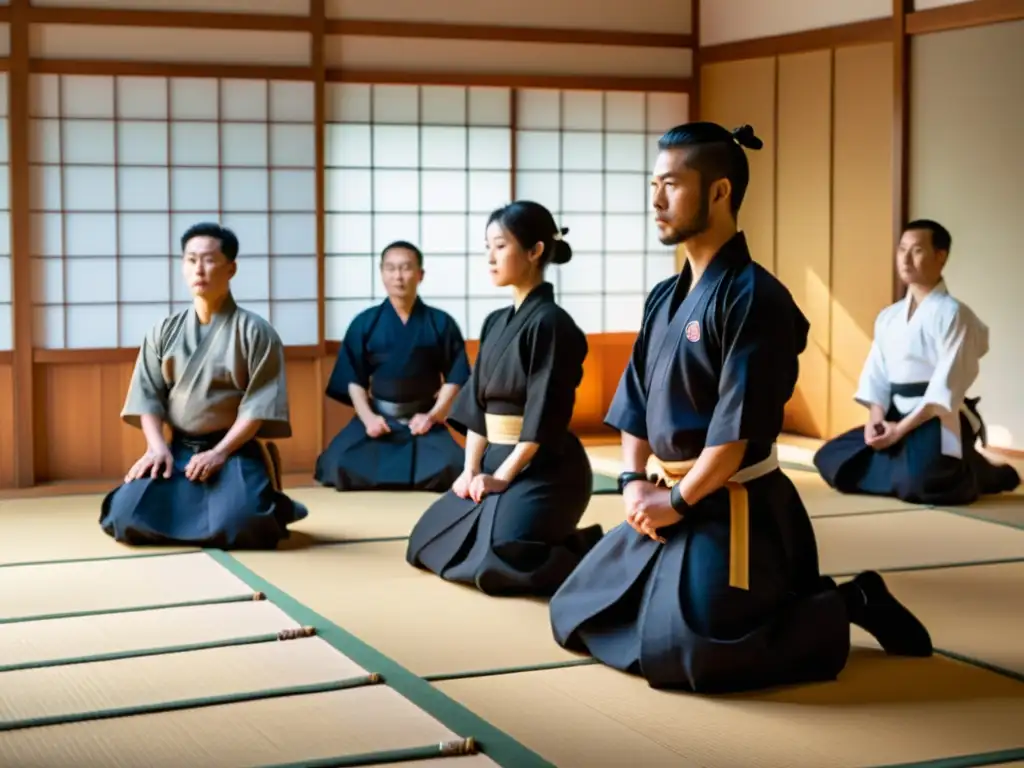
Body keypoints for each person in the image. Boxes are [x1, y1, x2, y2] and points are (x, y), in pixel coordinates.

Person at [548, 122, 933, 695]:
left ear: (720, 191)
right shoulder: (664, 297)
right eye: (652, 184)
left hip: (731, 505)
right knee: (575, 609)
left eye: (671, 185)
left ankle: (851, 600)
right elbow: (634, 403)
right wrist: (632, 482)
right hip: (660, 496)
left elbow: (734, 432)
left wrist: (677, 501)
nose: (655, 200)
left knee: (700, 652)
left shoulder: (758, 298)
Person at [405, 201, 603, 596]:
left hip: (544, 464)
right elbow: (478, 407)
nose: (490, 257)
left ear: (535, 252)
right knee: (425, 542)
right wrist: (470, 469)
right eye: (486, 247)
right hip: (494, 455)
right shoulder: (495, 322)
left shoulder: (552, 324)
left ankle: (592, 551)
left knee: (501, 557)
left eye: (500, 246)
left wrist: (502, 477)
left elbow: (545, 413)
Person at [99, 222, 308, 550]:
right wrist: (157, 448)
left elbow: (258, 406)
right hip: (177, 451)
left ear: (231, 268)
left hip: (233, 450)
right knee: (125, 517)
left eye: (209, 260)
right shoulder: (163, 331)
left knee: (245, 524)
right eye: (191, 260)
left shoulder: (256, 332)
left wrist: (219, 452)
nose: (199, 269)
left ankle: (264, 491)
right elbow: (147, 397)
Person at [814, 220, 1019, 505]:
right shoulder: (889, 316)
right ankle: (932, 464)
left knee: (923, 484)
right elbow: (877, 375)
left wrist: (900, 430)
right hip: (895, 412)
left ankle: (984, 473)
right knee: (830, 458)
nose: (906, 259)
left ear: (940, 256)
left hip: (935, 414)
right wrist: (876, 420)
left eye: (917, 250)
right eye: (902, 250)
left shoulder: (954, 314)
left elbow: (946, 384)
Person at [314, 241, 470, 492]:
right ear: (382, 273)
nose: (398, 276)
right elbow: (353, 378)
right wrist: (368, 419)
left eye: (406, 268)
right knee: (338, 464)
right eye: (391, 268)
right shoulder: (365, 322)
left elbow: (456, 375)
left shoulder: (440, 322)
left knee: (453, 466)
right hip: (379, 419)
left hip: (422, 420)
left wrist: (433, 416)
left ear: (420, 275)